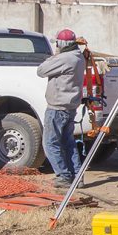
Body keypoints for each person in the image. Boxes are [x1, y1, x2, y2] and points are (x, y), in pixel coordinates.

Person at [37, 28, 86, 187]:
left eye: (57, 43)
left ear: (62, 44)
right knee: (68, 143)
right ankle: (77, 177)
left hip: (57, 107)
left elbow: (41, 70)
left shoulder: (65, 58)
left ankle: (63, 176)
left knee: (50, 143)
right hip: (69, 107)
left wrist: (53, 57)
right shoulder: (78, 57)